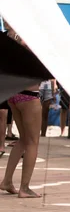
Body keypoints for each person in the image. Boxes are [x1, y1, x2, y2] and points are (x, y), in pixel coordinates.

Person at [0, 31, 43, 198]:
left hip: (15, 94)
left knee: (24, 140)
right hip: (29, 95)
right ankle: (25, 188)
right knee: (32, 142)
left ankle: (7, 181)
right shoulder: (29, 38)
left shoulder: (10, 36)